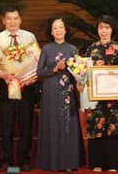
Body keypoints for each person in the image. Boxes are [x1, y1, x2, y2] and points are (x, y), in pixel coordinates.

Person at [0, 6, 39, 171]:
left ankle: (24, 160)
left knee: (26, 123)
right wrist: (3, 75)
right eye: (9, 18)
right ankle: (7, 160)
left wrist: (31, 77)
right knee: (6, 124)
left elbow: (37, 61)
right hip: (6, 85)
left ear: (20, 20)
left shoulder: (29, 37)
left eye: (15, 18)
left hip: (26, 86)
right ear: (4, 21)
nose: (12, 22)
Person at [35, 18, 84, 171]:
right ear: (51, 32)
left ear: (65, 30)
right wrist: (55, 69)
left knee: (68, 124)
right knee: (52, 124)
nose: (58, 30)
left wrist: (80, 79)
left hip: (67, 91)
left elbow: (79, 71)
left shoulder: (72, 49)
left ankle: (69, 163)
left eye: (61, 27)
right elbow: (39, 72)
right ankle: (52, 163)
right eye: (55, 28)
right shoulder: (46, 49)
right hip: (50, 92)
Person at [85, 15, 118, 172]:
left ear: (112, 30)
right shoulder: (91, 49)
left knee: (114, 127)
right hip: (96, 98)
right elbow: (84, 72)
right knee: (97, 128)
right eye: (101, 28)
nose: (104, 31)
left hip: (115, 98)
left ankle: (114, 164)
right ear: (97, 30)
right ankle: (97, 163)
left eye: (107, 28)